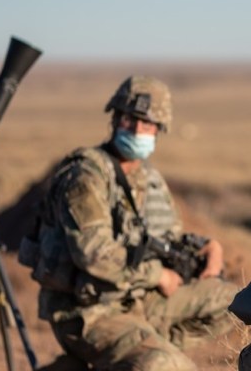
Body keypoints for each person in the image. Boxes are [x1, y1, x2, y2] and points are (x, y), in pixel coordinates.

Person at [21, 76, 238, 370]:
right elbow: (94, 255)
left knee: (234, 302)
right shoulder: (87, 177)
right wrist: (156, 276)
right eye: (129, 119)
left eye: (147, 124)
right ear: (114, 119)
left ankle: (137, 352)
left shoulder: (149, 180)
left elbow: (164, 240)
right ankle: (148, 355)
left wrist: (205, 247)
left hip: (138, 303)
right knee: (167, 366)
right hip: (88, 312)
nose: (137, 130)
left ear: (158, 130)